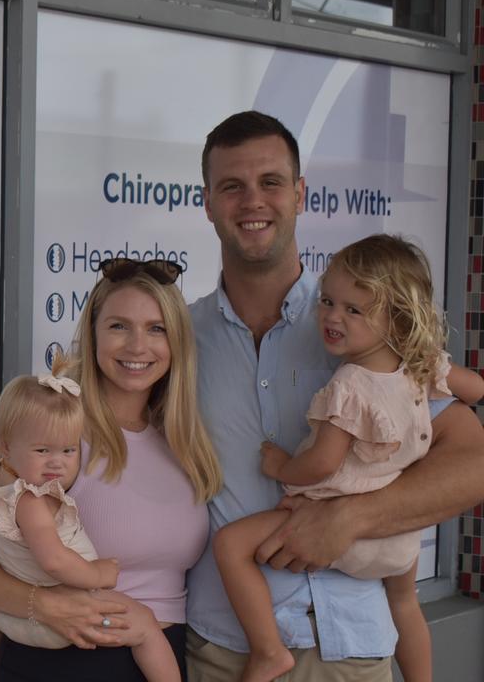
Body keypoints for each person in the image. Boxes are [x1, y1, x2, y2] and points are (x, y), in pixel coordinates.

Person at [185, 110, 484, 681]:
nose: (253, 201)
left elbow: (475, 465)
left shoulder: (363, 329)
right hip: (224, 651)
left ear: (300, 193)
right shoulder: (175, 338)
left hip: (349, 647)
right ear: (207, 201)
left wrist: (351, 518)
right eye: (232, 186)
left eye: (271, 182)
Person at [0, 256, 224, 681]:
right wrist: (46, 605)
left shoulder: (181, 440)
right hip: (67, 664)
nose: (136, 346)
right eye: (118, 326)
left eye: (156, 328)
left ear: (177, 342)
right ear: (92, 334)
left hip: (161, 659)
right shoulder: (61, 440)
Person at [0, 351, 180, 682]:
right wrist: (97, 575)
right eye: (43, 451)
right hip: (70, 618)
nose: (57, 464)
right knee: (147, 627)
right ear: (7, 447)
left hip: (13, 619)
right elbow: (53, 561)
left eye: (68, 451)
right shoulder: (32, 499)